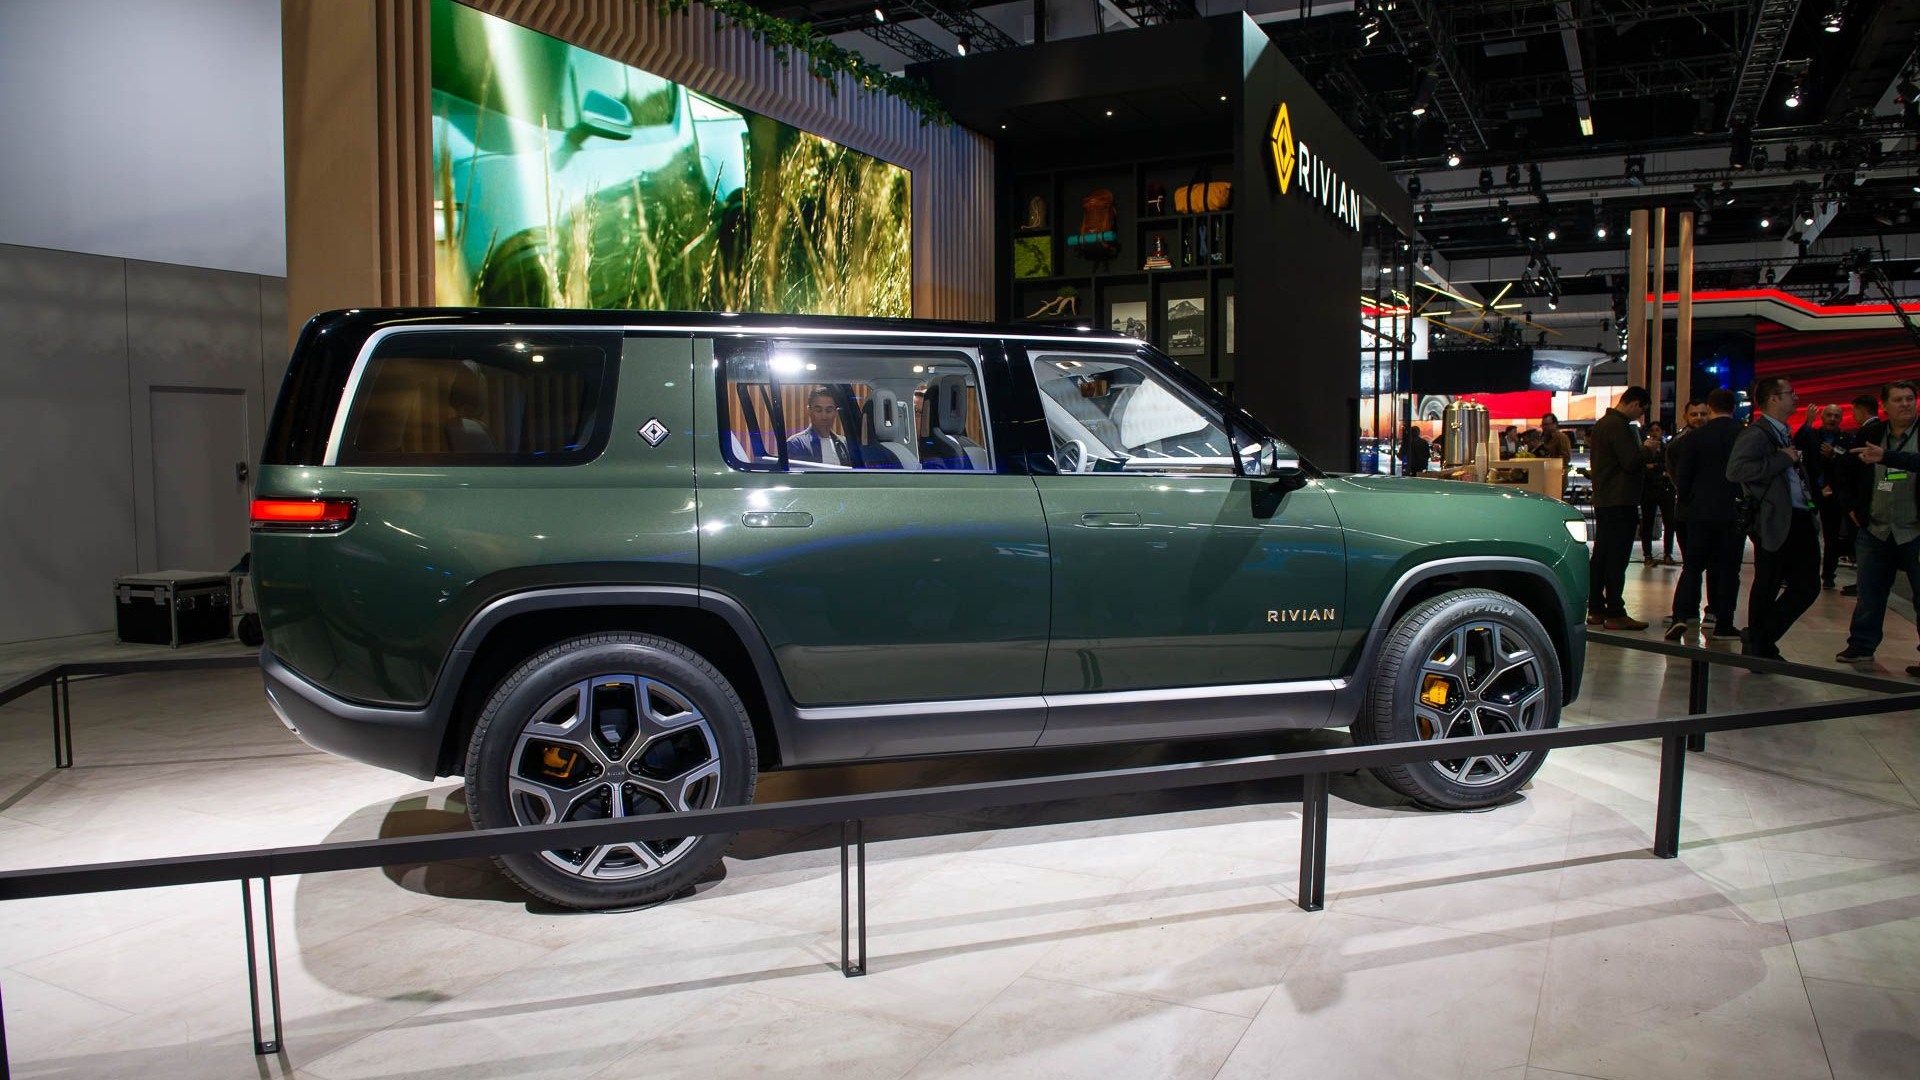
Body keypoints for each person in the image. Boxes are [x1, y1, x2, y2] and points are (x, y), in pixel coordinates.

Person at [1727, 376, 1821, 660]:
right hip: (1777, 519)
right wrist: (1782, 459)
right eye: (1790, 393)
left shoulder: (1782, 432)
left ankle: (1759, 639)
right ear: (1773, 399)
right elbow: (1735, 471)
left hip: (1795, 517)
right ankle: (1760, 641)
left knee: (1797, 584)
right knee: (1778, 583)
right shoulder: (1757, 434)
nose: (1795, 397)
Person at [1834, 380, 1920, 666]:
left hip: (1914, 529)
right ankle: (1861, 645)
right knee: (1869, 592)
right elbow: (1844, 469)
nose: (1905, 404)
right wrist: (1850, 507)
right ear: (1885, 406)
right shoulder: (1871, 432)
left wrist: (1887, 457)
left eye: (1910, 398)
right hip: (1876, 528)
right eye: (1898, 399)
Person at [1667, 389, 1745, 642]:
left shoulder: (1695, 438)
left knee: (1692, 566)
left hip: (1699, 512)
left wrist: (1690, 502)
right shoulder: (1743, 435)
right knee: (1728, 569)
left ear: (1710, 409)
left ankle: (1680, 615)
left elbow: (1683, 478)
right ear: (1733, 408)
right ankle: (1723, 622)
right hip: (1733, 512)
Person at [1588, 386, 1658, 629]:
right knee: (1616, 558)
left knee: (1601, 557)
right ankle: (1615, 612)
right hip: (1621, 500)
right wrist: (1647, 449)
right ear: (1635, 404)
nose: (1640, 416)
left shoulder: (1602, 424)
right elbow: (1630, 461)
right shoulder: (1618, 426)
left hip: (1606, 499)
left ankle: (1596, 609)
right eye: (1642, 411)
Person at [1795, 403, 1850, 588]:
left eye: (1836, 416)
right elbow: (1797, 444)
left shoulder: (1846, 439)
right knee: (1805, 534)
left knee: (1831, 537)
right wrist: (1808, 423)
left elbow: (1851, 464)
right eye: (1829, 415)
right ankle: (1801, 572)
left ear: (1841, 419)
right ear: (1823, 417)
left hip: (1833, 496)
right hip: (1811, 494)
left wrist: (1834, 455)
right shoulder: (1812, 434)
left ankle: (1828, 575)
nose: (1832, 419)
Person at [1839, 393, 1884, 596]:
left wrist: (1851, 503)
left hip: (1864, 499)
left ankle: (1864, 584)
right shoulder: (1877, 430)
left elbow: (1857, 468)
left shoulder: (1869, 431)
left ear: (1861, 409)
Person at [1666, 399, 1710, 571]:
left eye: (1703, 414)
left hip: (1706, 512)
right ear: (1685, 416)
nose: (1699, 418)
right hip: (1688, 511)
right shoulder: (1678, 443)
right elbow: (1675, 476)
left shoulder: (1712, 439)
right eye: (1694, 414)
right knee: (1692, 567)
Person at [1638, 420, 1677, 565]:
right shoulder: (1644, 449)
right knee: (1647, 523)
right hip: (1649, 490)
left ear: (1662, 432)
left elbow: (1670, 467)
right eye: (1652, 430)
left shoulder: (1668, 449)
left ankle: (1668, 554)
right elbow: (1641, 467)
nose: (1655, 433)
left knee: (1669, 523)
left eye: (1657, 430)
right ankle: (1647, 555)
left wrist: (1654, 466)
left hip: (1666, 489)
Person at [787, 387, 850, 465]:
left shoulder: (844, 443)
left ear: (836, 412)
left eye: (829, 410)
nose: (824, 416)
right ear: (809, 411)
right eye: (818, 410)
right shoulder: (796, 444)